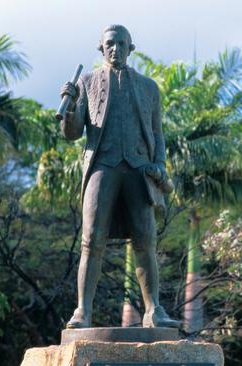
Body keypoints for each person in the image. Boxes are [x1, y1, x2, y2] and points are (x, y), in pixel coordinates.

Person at [59, 24, 179, 329]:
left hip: (139, 169)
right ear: (101, 48)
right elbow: (72, 134)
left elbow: (157, 133)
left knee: (146, 239)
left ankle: (153, 310)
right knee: (91, 240)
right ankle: (83, 311)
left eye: (122, 44)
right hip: (103, 165)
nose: (116, 49)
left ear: (131, 48)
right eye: (110, 44)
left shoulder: (149, 87)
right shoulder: (86, 82)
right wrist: (71, 106)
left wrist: (160, 164)